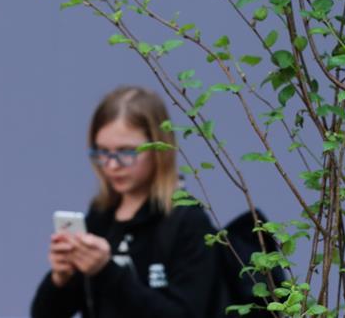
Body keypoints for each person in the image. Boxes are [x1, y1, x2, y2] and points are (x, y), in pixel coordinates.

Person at [30, 85, 228, 318]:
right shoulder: (101, 216)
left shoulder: (187, 221)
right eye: (102, 152)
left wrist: (106, 271)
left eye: (126, 151)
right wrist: (60, 277)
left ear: (159, 147)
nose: (112, 165)